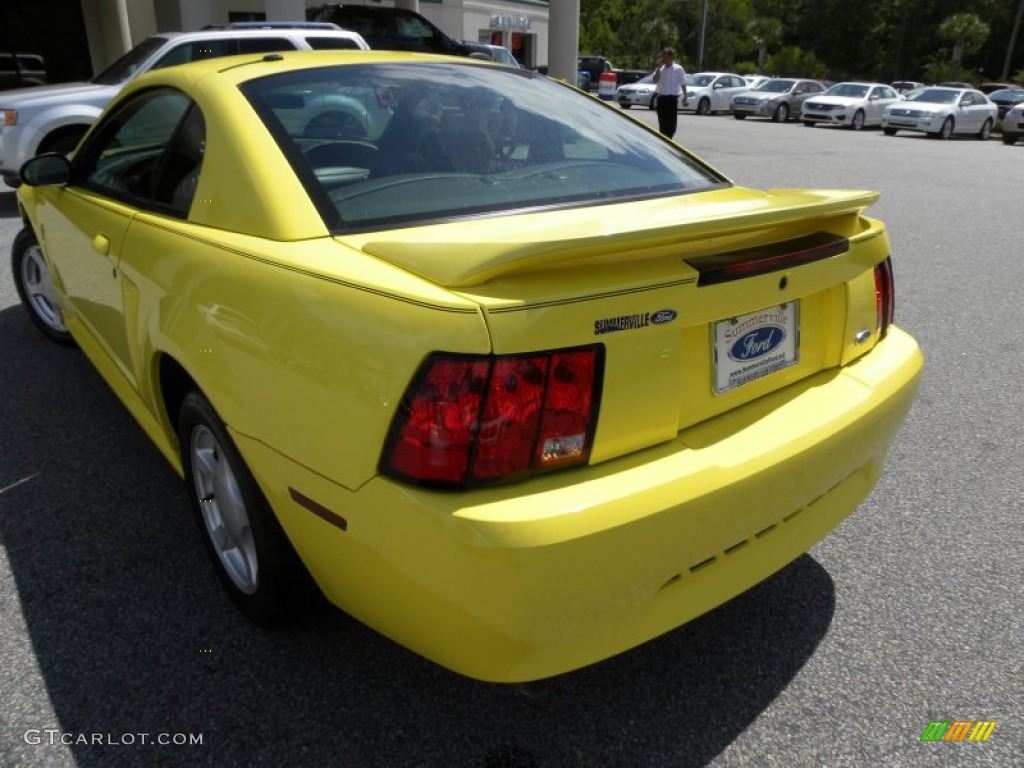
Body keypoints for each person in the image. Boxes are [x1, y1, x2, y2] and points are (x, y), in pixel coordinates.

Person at [652, 47, 687, 139]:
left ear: (670, 57)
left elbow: (682, 82)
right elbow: (655, 80)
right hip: (662, 99)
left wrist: (685, 95)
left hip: (672, 99)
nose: (663, 58)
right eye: (662, 55)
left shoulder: (678, 69)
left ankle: (669, 138)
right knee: (662, 122)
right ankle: (664, 139)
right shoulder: (660, 69)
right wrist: (659, 67)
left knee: (671, 124)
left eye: (665, 56)